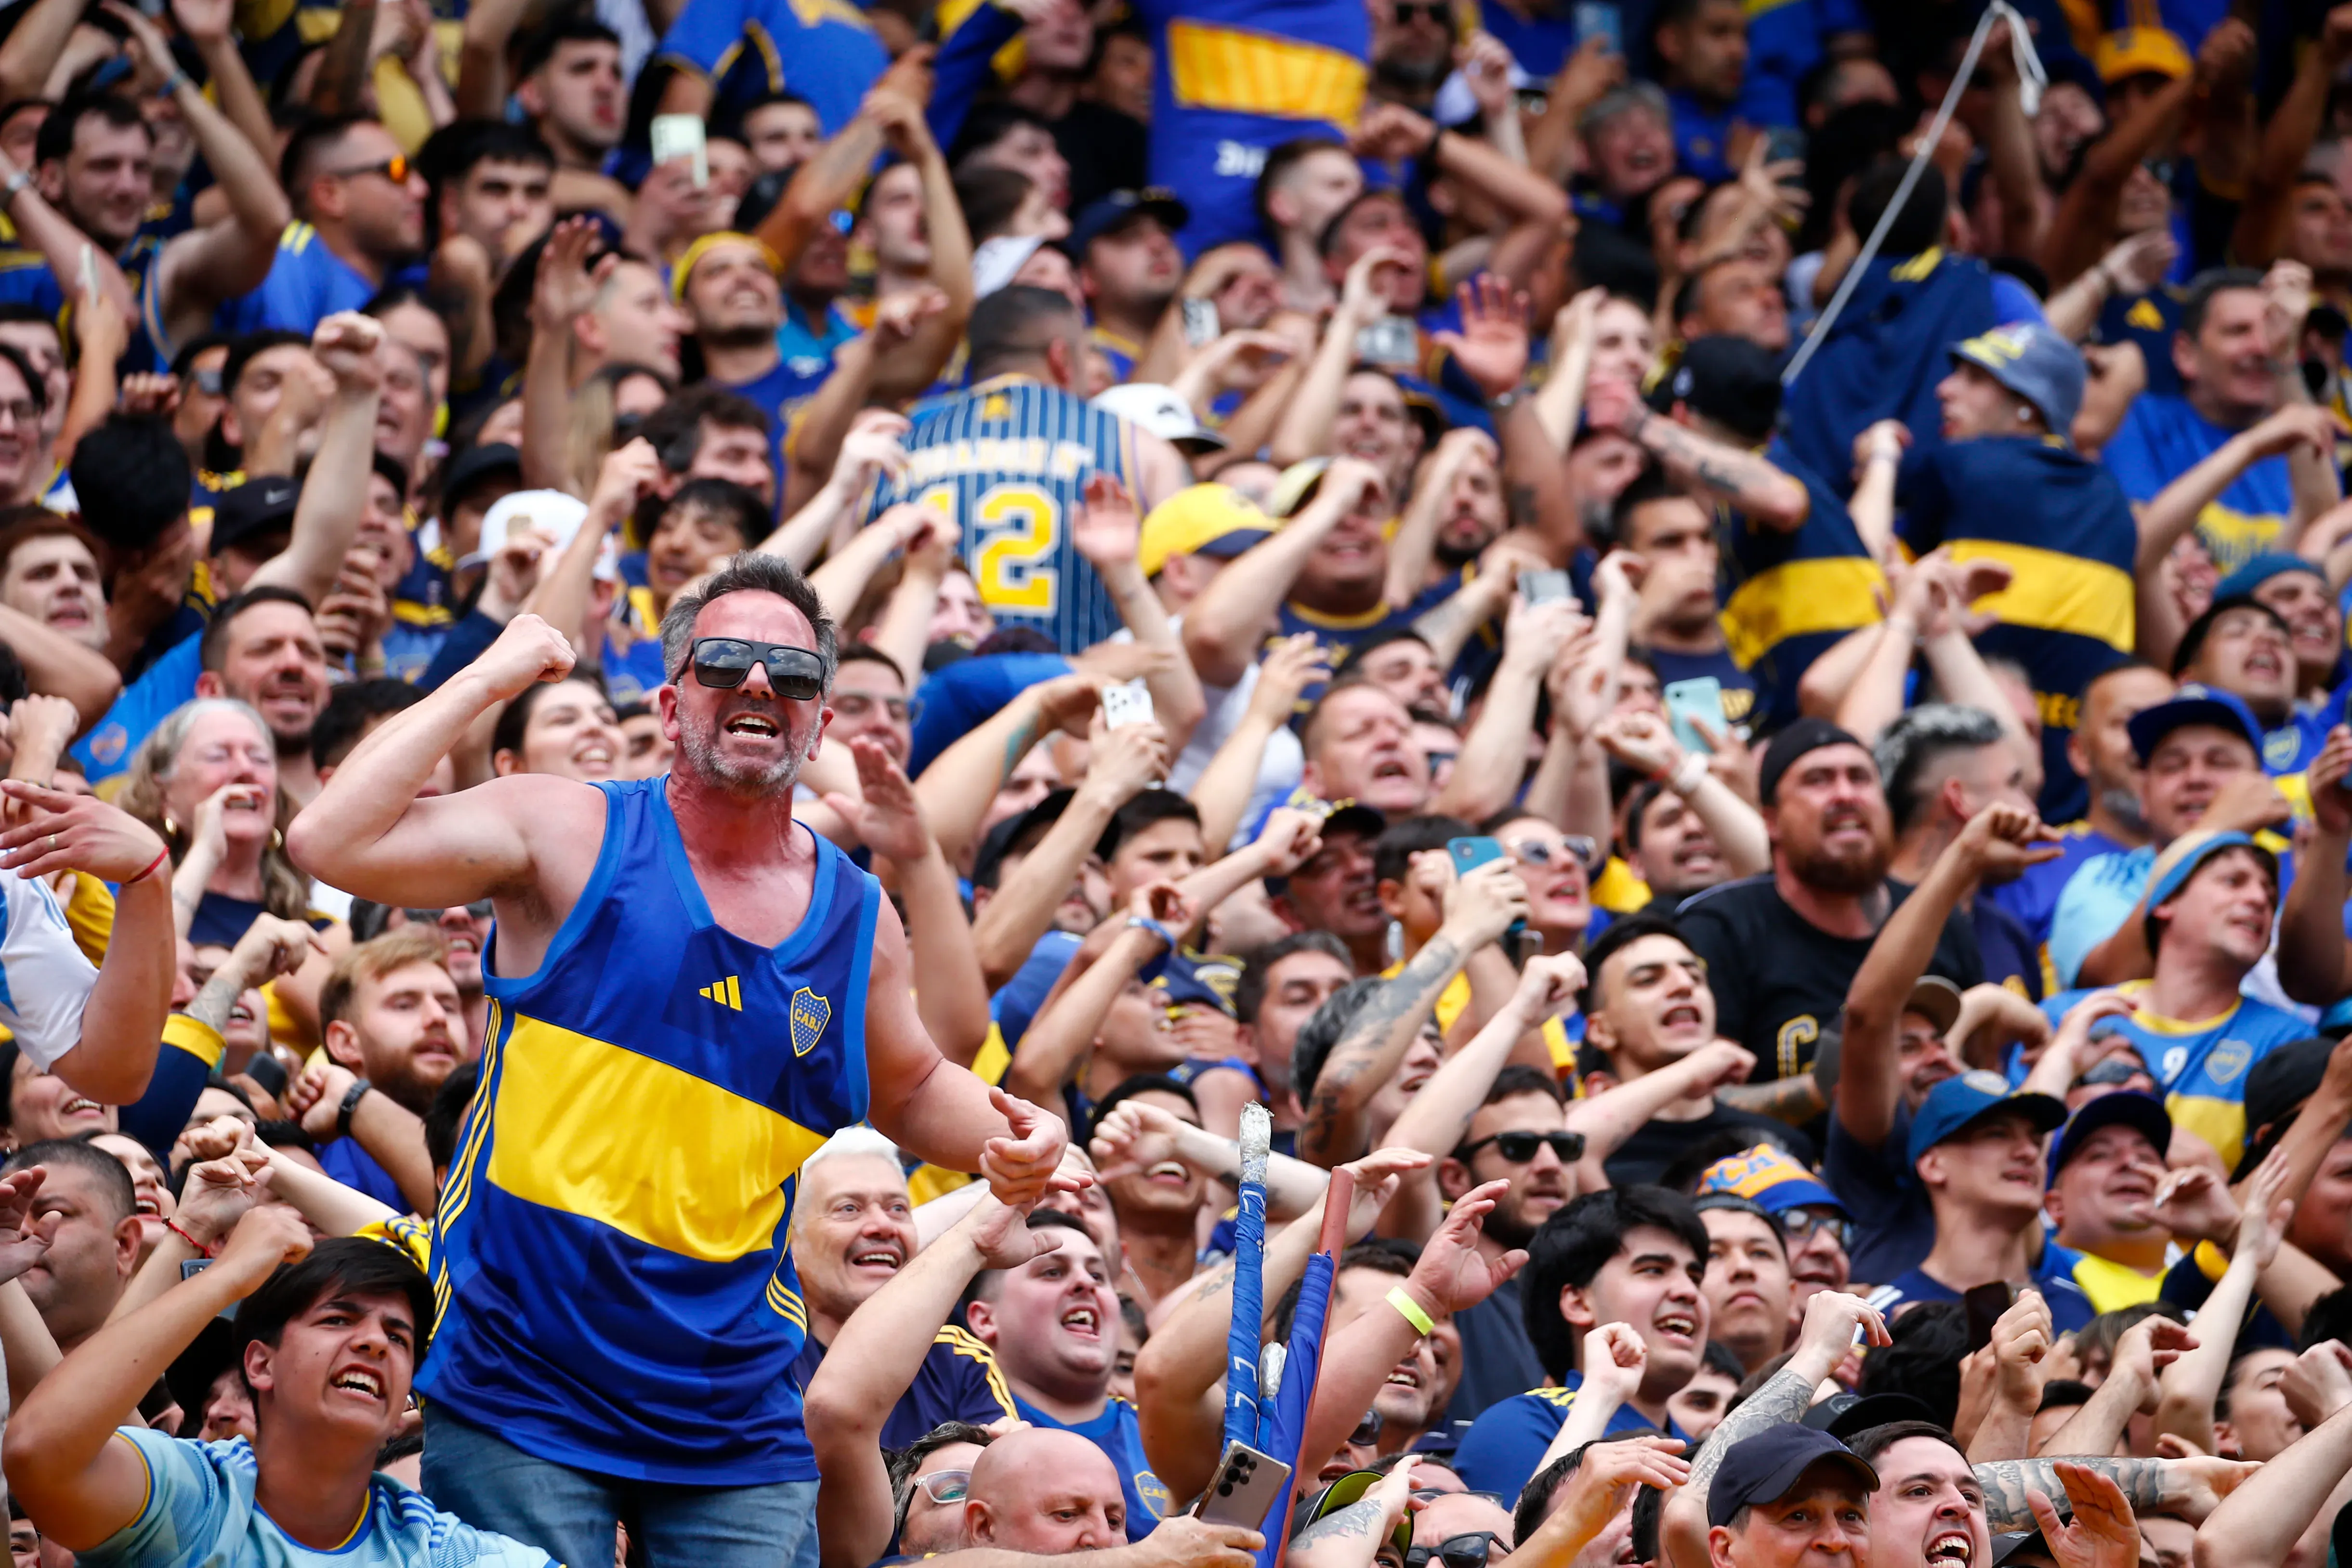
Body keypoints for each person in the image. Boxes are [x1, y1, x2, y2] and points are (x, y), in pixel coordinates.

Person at [285, 555, 1073, 1568]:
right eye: (725, 660)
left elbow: (914, 1083)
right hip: (524, 1377)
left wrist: (1017, 1130)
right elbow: (327, 837)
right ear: (670, 702)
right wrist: (491, 674)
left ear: (819, 723)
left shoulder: (854, 913)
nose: (757, 683)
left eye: (790, 673)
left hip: (733, 1407)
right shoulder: (567, 826)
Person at [1678, 719, 1982, 1126]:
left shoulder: (1935, 918)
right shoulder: (1720, 928)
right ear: (1770, 820)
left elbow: (1978, 1077)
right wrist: (1836, 1084)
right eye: (1817, 780)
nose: (1844, 794)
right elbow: (1691, 1099)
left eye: (1859, 778)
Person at [1453, 1184, 1708, 1500]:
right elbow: (1520, 1549)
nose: (1689, 1291)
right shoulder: (1519, 1425)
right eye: (1653, 1270)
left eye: (1695, 1277)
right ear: (1577, 1302)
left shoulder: (1707, 1451)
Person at [959, 1210, 1167, 1537]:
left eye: (1098, 1275)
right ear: (985, 1319)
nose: (1086, 1282)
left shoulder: (1168, 1437)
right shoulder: (959, 1430)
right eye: (1053, 1271)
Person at [1866, 1071, 2092, 1332]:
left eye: (2037, 1141)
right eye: (1997, 1134)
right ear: (1932, 1164)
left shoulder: (2077, 1302)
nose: (2030, 1152)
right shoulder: (1880, 1318)